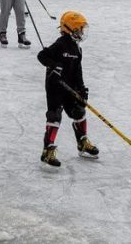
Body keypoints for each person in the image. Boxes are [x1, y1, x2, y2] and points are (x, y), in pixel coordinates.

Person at [37, 11, 98, 167]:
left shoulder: (78, 49)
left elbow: (78, 71)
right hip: (55, 86)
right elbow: (42, 56)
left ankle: (82, 143)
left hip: (70, 86)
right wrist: (54, 66)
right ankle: (47, 151)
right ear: (70, 29)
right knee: (55, 116)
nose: (82, 32)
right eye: (79, 29)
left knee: (78, 111)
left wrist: (82, 89)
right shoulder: (60, 44)